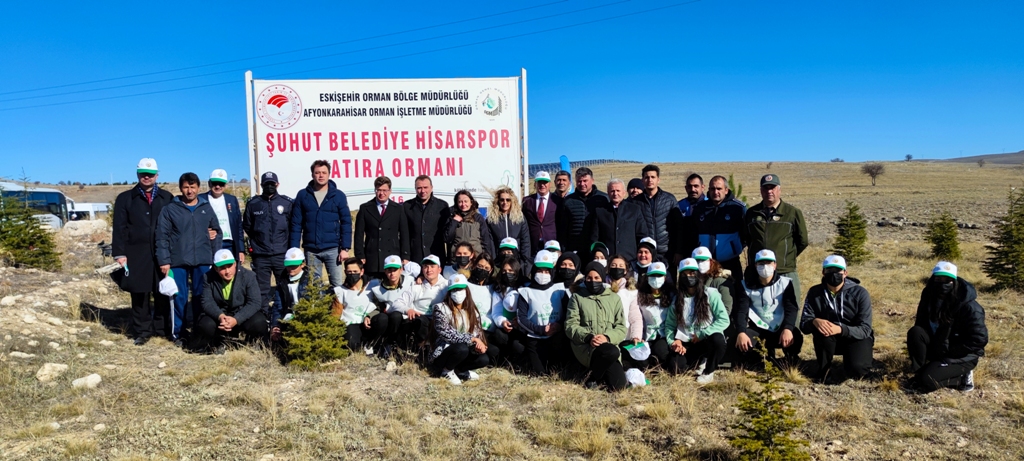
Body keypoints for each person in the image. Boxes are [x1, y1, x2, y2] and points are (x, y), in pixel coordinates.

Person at [112, 158, 174, 345]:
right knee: (139, 293)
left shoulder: (167, 197)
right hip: (135, 253)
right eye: (143, 174)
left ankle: (162, 329)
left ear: (157, 175)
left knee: (162, 291)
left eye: (150, 174)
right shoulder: (125, 198)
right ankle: (142, 331)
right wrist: (120, 253)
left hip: (161, 253)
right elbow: (119, 227)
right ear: (137, 174)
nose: (146, 177)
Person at [156, 172, 223, 346]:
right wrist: (164, 260)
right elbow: (162, 237)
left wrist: (215, 257)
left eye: (192, 187)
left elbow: (217, 232)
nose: (189, 191)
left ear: (198, 188)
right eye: (186, 187)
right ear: (180, 188)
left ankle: (200, 330)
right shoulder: (170, 209)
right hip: (177, 261)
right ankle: (178, 333)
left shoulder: (206, 207)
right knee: (178, 297)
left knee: (202, 297)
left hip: (203, 260)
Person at [907, 262, 988, 393]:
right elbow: (921, 322)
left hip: (960, 356)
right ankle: (919, 371)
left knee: (927, 382)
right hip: (939, 346)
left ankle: (962, 378)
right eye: (938, 279)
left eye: (947, 280)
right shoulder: (929, 296)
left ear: (954, 281)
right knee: (916, 332)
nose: (942, 284)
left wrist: (951, 352)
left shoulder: (969, 307)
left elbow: (979, 339)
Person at [800, 255, 874, 382]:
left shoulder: (860, 293)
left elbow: (865, 329)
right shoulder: (815, 292)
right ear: (823, 272)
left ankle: (852, 363)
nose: (834, 274)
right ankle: (824, 371)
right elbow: (804, 325)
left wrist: (840, 329)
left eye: (838, 271)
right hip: (828, 338)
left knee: (858, 371)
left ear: (845, 273)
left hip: (855, 336)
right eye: (829, 270)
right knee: (822, 329)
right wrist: (814, 321)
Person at [732, 250, 803, 367]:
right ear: (755, 265)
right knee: (741, 341)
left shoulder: (785, 283)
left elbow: (791, 308)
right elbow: (741, 311)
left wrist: (788, 328)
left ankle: (790, 359)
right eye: (761, 263)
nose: (765, 266)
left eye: (769, 263)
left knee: (795, 335)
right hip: (759, 327)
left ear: (775, 265)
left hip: (779, 326)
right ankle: (757, 361)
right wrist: (741, 332)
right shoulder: (745, 285)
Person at [566, 261, 629, 391]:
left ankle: (593, 377)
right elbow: (570, 325)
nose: (593, 281)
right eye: (589, 278)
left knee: (619, 386)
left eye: (596, 278)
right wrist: (589, 337)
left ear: (602, 278)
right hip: (586, 347)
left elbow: (621, 327)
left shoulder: (614, 298)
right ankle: (594, 375)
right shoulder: (577, 297)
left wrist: (607, 337)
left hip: (608, 345)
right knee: (612, 351)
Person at [289, 160, 352, 287]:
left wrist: (345, 248)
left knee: (337, 285)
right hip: (311, 250)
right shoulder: (303, 195)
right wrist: (294, 249)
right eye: (317, 172)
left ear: (329, 174)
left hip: (333, 249)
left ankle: (337, 301)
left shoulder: (338, 195)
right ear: (312, 175)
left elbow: (346, 222)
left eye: (324, 172)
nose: (321, 175)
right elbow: (296, 224)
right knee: (314, 286)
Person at [666, 258, 730, 383]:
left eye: (692, 273)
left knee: (718, 340)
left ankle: (708, 371)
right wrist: (673, 341)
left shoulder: (711, 294)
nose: (689, 277)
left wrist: (702, 333)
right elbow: (670, 325)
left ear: (698, 274)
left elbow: (723, 320)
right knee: (676, 367)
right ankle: (700, 361)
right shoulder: (676, 300)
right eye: (684, 274)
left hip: (706, 338)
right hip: (688, 342)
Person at [191, 250, 268, 353]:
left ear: (235, 264)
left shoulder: (248, 276)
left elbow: (255, 302)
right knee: (205, 324)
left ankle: (253, 340)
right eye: (222, 268)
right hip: (221, 314)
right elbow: (207, 301)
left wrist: (236, 319)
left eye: (230, 266)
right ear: (216, 268)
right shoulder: (208, 277)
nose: (227, 271)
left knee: (259, 322)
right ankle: (216, 342)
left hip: (241, 312)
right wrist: (220, 316)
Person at [745, 174, 808, 297]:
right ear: (761, 191)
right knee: (757, 306)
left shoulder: (792, 213)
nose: (769, 191)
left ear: (779, 190)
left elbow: (803, 240)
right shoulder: (751, 213)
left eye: (772, 188)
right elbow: (747, 238)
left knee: (790, 305)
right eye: (765, 188)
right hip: (757, 271)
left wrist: (786, 256)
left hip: (784, 271)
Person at [243, 171, 294, 322]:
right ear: (261, 185)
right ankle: (264, 316)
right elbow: (248, 226)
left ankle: (284, 314)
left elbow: (292, 227)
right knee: (262, 289)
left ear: (277, 184)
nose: (269, 186)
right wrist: (258, 240)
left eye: (272, 184)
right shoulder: (253, 203)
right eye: (266, 184)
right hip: (261, 255)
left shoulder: (287, 203)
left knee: (284, 286)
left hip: (281, 254)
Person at [511, 250, 569, 375]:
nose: (543, 274)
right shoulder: (525, 292)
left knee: (557, 370)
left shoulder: (559, 289)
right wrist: (541, 330)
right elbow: (521, 318)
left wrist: (559, 325)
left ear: (552, 272)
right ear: (534, 271)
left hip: (556, 336)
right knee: (540, 373)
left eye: (547, 271)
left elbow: (568, 313)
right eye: (540, 270)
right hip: (535, 337)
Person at [430, 274, 490, 385]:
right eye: (454, 290)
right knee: (461, 348)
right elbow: (447, 333)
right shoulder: (440, 308)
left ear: (466, 290)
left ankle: (459, 371)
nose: (458, 293)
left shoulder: (472, 311)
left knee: (483, 359)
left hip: (464, 350)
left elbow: (477, 331)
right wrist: (472, 339)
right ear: (449, 292)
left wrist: (479, 344)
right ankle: (446, 371)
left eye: (461, 289)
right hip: (444, 352)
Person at [690, 175, 747, 282]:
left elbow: (745, 234)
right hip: (705, 262)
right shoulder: (699, 208)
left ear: (726, 190)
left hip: (730, 261)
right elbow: (693, 233)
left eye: (719, 188)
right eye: (712, 189)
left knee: (734, 290)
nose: (715, 192)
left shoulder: (737, 208)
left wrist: (734, 248)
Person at [388, 255, 449, 351]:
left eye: (432, 266)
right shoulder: (416, 286)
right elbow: (397, 303)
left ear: (439, 269)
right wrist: (408, 310)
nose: (429, 270)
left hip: (438, 321)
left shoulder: (446, 286)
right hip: (419, 320)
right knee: (417, 320)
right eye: (425, 267)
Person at [355, 176, 409, 280]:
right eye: (379, 190)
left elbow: (404, 234)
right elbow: (359, 234)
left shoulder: (398, 209)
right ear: (375, 190)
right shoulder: (365, 208)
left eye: (385, 190)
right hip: (372, 257)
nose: (381, 193)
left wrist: (405, 256)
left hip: (392, 255)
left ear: (390, 191)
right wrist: (360, 255)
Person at [331, 258, 389, 354]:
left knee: (382, 319)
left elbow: (380, 305)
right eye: (349, 272)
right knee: (352, 345)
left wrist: (369, 316)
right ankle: (361, 347)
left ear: (361, 272)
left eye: (355, 271)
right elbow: (335, 314)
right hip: (351, 324)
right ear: (345, 272)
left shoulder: (373, 285)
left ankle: (371, 344)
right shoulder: (339, 291)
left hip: (369, 322)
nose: (352, 274)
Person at [588, 178, 650, 263]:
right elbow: (594, 238)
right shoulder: (600, 211)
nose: (615, 194)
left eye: (618, 191)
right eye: (612, 191)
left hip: (630, 259)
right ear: (608, 193)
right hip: (607, 260)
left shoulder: (634, 210)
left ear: (624, 192)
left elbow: (642, 235)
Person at [367, 255, 415, 357]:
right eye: (389, 270)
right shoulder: (378, 289)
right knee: (383, 318)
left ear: (401, 270)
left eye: (395, 270)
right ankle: (378, 344)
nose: (392, 273)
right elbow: (376, 306)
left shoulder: (411, 282)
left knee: (396, 315)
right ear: (385, 271)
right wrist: (368, 316)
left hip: (406, 318)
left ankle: (397, 345)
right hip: (388, 319)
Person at [632, 164, 679, 261]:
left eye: (653, 177)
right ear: (642, 180)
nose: (650, 180)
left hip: (667, 253)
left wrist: (678, 251)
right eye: (647, 177)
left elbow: (679, 227)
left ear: (658, 179)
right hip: (645, 254)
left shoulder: (669, 199)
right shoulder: (635, 202)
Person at [633, 261, 675, 369]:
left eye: (659, 275)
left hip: (664, 334)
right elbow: (637, 317)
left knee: (660, 352)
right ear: (647, 278)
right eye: (653, 275)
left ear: (665, 278)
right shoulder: (640, 295)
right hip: (646, 335)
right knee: (642, 360)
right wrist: (639, 336)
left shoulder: (671, 294)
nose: (656, 278)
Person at [559, 167, 608, 254]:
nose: (582, 184)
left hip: (597, 248)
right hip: (574, 248)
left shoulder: (603, 199)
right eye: (579, 181)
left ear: (592, 180)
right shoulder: (568, 201)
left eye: (585, 181)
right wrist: (563, 250)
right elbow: (563, 229)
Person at [404, 175, 450, 265]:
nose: (422, 191)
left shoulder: (442, 206)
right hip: (415, 258)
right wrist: (405, 256)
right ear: (415, 188)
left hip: (436, 256)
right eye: (419, 188)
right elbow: (404, 234)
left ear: (431, 188)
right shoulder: (407, 206)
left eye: (425, 187)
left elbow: (447, 233)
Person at [201, 169, 244, 263]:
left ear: (226, 185)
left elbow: (238, 225)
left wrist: (240, 249)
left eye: (221, 184)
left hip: (229, 244)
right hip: (209, 244)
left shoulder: (232, 200)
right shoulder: (200, 200)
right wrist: (204, 232)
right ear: (209, 183)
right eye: (214, 183)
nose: (217, 186)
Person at [466, 253, 502, 365]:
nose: (483, 270)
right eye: (480, 266)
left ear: (491, 270)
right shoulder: (466, 283)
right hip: (470, 328)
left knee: (494, 352)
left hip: (487, 329)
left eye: (486, 268)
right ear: (474, 266)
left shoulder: (494, 286)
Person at [490, 255, 526, 364]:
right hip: (506, 326)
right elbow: (496, 311)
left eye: (511, 271)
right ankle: (503, 360)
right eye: (504, 271)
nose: (507, 273)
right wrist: (503, 322)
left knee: (518, 345)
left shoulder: (525, 287)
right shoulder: (499, 288)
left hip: (522, 327)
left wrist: (520, 322)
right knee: (498, 335)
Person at [486, 186, 532, 267]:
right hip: (499, 262)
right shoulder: (491, 220)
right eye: (502, 200)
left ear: (512, 201)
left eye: (508, 200)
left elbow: (525, 242)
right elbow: (490, 243)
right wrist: (494, 262)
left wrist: (524, 263)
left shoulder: (520, 218)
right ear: (498, 201)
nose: (505, 202)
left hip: (517, 262)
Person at [270, 248, 308, 342]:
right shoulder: (282, 281)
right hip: (289, 316)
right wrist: (275, 325)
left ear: (302, 264)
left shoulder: (311, 279)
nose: (291, 268)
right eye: (288, 265)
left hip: (306, 317)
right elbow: (278, 305)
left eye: (294, 266)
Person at [445, 189, 492, 258]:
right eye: (460, 202)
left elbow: (486, 241)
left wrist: (486, 258)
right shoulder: (452, 218)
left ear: (471, 202)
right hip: (457, 258)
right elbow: (447, 239)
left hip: (475, 258)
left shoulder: (478, 218)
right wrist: (454, 222)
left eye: (466, 201)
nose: (463, 204)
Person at [522, 171, 559, 258]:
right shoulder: (527, 201)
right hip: (533, 244)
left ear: (550, 184)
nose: (542, 185)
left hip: (551, 243)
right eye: (539, 182)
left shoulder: (557, 201)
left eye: (545, 182)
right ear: (535, 184)